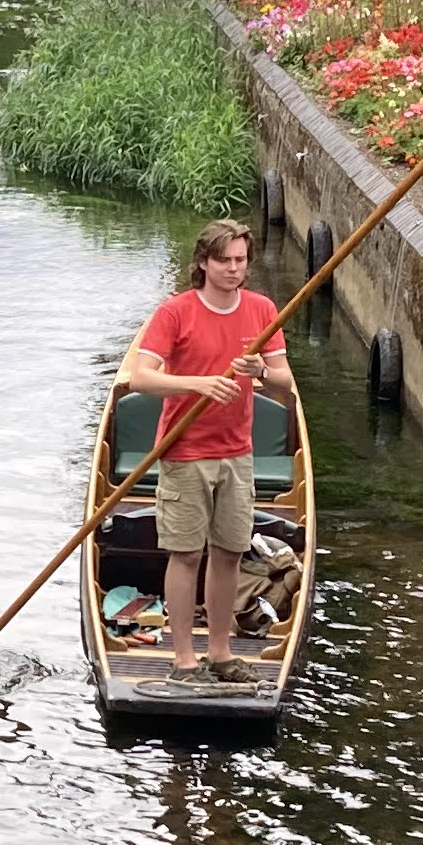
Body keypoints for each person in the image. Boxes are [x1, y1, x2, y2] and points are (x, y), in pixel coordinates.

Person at [121, 220, 294, 686]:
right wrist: (198, 383)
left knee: (230, 553)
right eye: (224, 260)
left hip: (238, 453)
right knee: (185, 555)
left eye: (241, 260)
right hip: (185, 452)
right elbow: (141, 379)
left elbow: (284, 384)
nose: (234, 269)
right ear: (203, 262)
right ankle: (182, 661)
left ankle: (220, 654)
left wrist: (260, 370)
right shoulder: (175, 313)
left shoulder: (261, 310)